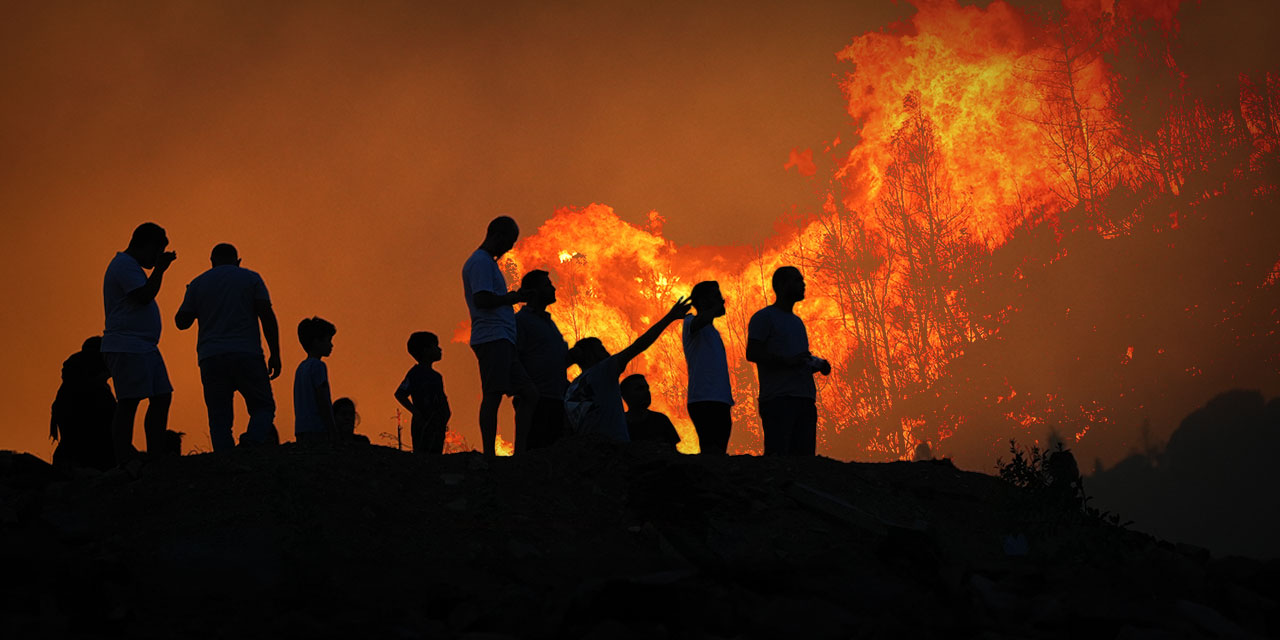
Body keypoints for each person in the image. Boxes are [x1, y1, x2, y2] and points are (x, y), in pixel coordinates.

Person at [175, 243, 282, 451]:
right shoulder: (251, 278)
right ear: (238, 261)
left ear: (212, 262)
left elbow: (181, 322)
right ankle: (251, 443)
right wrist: (275, 353)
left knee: (219, 418)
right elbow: (266, 316)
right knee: (263, 407)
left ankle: (224, 460)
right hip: (247, 353)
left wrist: (191, 296)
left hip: (211, 356)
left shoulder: (198, 283)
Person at [565, 297, 692, 442]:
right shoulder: (602, 370)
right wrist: (670, 317)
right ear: (589, 354)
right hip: (612, 450)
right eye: (601, 349)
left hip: (587, 453)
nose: (607, 353)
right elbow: (639, 346)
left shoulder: (571, 389)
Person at [462, 216, 539, 455]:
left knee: (529, 394)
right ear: (498, 235)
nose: (510, 247)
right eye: (510, 240)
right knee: (493, 394)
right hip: (491, 337)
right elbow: (482, 299)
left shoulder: (488, 263)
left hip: (503, 338)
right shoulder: (480, 263)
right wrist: (511, 298)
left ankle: (521, 452)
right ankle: (489, 454)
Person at [102, 222, 178, 462]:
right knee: (129, 402)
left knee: (162, 396)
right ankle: (123, 460)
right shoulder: (124, 265)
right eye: (156, 252)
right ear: (146, 245)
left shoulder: (131, 267)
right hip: (127, 344)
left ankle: (155, 457)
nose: (156, 259)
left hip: (143, 346)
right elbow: (144, 296)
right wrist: (161, 270)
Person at [746, 266, 830, 456]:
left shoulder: (797, 322)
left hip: (804, 399)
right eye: (797, 280)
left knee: (804, 461)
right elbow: (753, 353)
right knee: (779, 460)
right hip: (779, 400)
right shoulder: (764, 317)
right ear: (781, 285)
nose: (803, 284)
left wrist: (816, 364)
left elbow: (797, 359)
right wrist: (787, 361)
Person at [514, 269, 570, 451]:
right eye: (547, 285)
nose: (553, 288)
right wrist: (527, 388)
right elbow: (514, 358)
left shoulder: (549, 323)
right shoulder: (521, 321)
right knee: (532, 453)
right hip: (536, 402)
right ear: (534, 292)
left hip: (557, 400)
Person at [682, 280, 734, 454]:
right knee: (711, 451)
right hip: (703, 399)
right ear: (703, 301)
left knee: (719, 451)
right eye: (716, 296)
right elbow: (699, 322)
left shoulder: (714, 333)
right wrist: (714, 310)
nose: (722, 300)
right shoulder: (690, 322)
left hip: (721, 399)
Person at [50, 337, 116, 471]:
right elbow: (107, 432)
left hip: (69, 460)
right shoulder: (96, 392)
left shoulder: (66, 390)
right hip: (93, 463)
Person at [393, 332, 451, 455]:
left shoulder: (437, 377)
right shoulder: (415, 374)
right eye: (435, 346)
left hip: (437, 424)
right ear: (425, 351)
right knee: (423, 456)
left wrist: (444, 416)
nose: (440, 349)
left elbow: (441, 399)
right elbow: (400, 394)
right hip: (422, 424)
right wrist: (416, 413)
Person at [294, 317, 336, 445]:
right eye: (328, 340)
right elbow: (322, 398)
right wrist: (332, 428)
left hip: (301, 428)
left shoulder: (301, 368)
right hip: (317, 428)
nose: (331, 345)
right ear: (317, 341)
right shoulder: (318, 366)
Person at [621, 374, 681, 451]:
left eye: (647, 388)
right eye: (640, 389)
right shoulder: (621, 425)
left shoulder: (661, 420)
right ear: (625, 395)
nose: (646, 392)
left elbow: (674, 453)